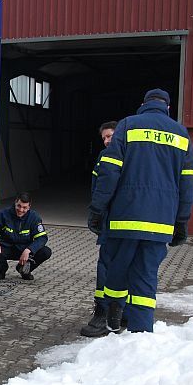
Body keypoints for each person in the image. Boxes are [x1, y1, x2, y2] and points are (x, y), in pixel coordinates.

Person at [86, 89, 193, 334]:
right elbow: (187, 183)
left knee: (116, 267)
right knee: (146, 278)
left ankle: (113, 314)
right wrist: (181, 222)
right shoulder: (181, 134)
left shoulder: (128, 125)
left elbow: (109, 171)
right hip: (160, 224)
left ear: (143, 105)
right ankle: (141, 333)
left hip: (124, 219)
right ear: (168, 108)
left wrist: (97, 209)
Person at [81, 121, 119, 337]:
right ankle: (119, 313)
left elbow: (103, 192)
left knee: (106, 267)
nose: (107, 141)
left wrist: (95, 214)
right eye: (104, 137)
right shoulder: (103, 158)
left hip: (114, 223)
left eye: (111, 135)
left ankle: (102, 313)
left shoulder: (113, 158)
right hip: (111, 221)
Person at [0, 193, 52, 280]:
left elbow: (42, 238)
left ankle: (23, 270)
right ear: (15, 203)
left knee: (46, 252)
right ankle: (1, 270)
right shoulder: (3, 215)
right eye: (19, 206)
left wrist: (29, 250)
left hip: (24, 250)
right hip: (7, 248)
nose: (21, 210)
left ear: (29, 207)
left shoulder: (34, 217)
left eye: (24, 207)